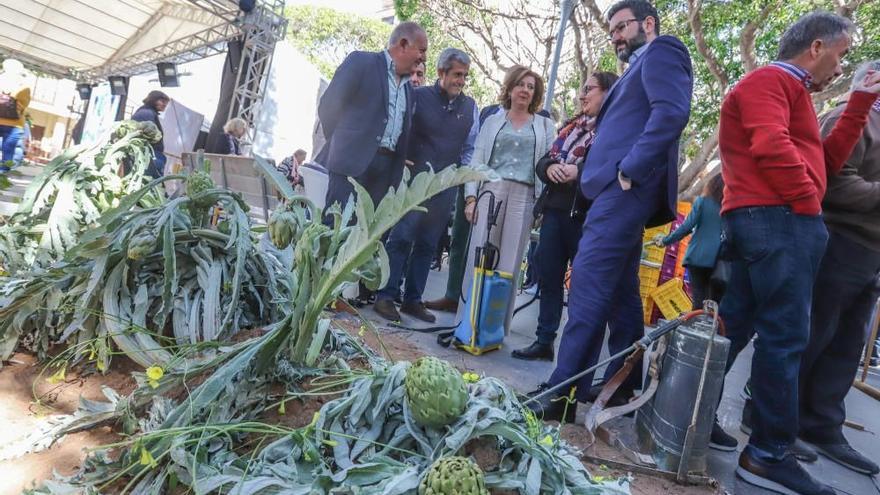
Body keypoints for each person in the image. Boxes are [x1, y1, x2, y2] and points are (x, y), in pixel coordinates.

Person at [717, 12, 880, 495]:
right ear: (815, 47)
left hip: (773, 217)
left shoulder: (796, 95)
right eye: (840, 54)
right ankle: (767, 453)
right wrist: (807, 206)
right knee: (786, 338)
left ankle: (691, 413)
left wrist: (859, 103)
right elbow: (770, 146)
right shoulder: (770, 80)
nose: (839, 66)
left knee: (738, 323)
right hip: (776, 218)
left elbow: (825, 164)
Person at [528, 0, 693, 423]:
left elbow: (672, 112)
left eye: (622, 26)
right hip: (612, 192)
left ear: (649, 23)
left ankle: (562, 392)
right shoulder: (632, 69)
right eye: (612, 29)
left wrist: (630, 171)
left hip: (625, 191)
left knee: (587, 284)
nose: (616, 35)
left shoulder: (664, 50)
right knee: (621, 295)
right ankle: (624, 383)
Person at [794, 60, 880, 476]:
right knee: (811, 334)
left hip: (871, 251)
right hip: (838, 241)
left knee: (848, 344)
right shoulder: (851, 117)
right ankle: (776, 419)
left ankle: (823, 424)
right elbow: (830, 178)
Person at [511, 71, 619, 362]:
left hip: (586, 218)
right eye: (582, 90)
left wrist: (578, 173)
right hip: (555, 212)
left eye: (590, 90)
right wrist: (549, 169)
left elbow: (611, 170)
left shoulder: (614, 131)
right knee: (549, 278)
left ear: (608, 93)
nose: (583, 95)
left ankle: (575, 356)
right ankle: (544, 340)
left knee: (583, 288)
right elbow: (544, 159)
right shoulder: (571, 128)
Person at [373, 48, 479, 323]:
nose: (461, 81)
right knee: (402, 237)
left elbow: (470, 148)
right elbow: (399, 130)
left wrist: (461, 177)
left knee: (428, 244)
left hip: (443, 187)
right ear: (441, 72)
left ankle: (412, 300)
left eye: (465, 76)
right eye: (457, 74)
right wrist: (401, 162)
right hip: (413, 181)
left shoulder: (470, 108)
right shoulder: (417, 96)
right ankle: (386, 295)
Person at [457, 65, 555, 334]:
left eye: (531, 87)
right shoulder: (492, 121)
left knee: (510, 263)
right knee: (479, 255)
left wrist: (541, 204)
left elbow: (548, 164)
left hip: (524, 196)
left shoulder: (545, 125)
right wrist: (471, 199)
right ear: (510, 88)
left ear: (535, 94)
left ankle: (494, 328)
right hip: (491, 190)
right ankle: (468, 322)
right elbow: (476, 161)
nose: (525, 90)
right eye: (520, 84)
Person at [315, 21, 427, 213]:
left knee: (368, 238)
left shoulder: (409, 88)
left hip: (385, 174)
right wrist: (342, 143)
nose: (424, 57)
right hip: (350, 166)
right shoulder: (361, 62)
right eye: (422, 50)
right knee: (336, 232)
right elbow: (329, 105)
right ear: (402, 44)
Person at [656, 173, 725, 310]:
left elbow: (687, 227)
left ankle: (694, 326)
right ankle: (709, 329)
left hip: (698, 257)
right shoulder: (728, 208)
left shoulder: (702, 202)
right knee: (713, 303)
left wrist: (665, 241)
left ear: (711, 185)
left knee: (698, 299)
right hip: (720, 260)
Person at [0, 59, 32, 171]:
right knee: (8, 151)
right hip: (15, 124)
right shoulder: (23, 85)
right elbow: (25, 103)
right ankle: (2, 175)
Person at [131, 90, 170, 178]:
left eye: (166, 103)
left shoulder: (148, 112)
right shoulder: (146, 113)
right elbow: (145, 137)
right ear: (153, 99)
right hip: (150, 157)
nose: (165, 105)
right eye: (162, 101)